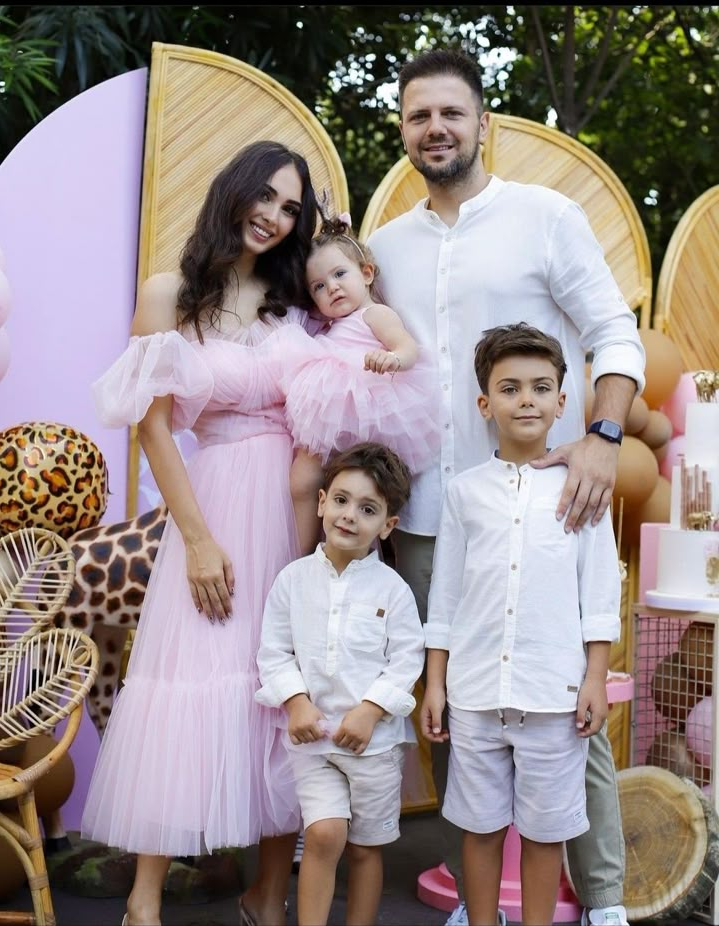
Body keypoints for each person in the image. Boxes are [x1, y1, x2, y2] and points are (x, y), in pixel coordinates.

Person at [366, 48, 646, 926]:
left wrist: (601, 437)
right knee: (452, 711)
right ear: (403, 130)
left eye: (452, 112)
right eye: (419, 115)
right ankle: (476, 900)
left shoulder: (546, 218)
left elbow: (614, 332)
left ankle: (600, 899)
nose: (436, 128)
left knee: (568, 713)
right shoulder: (382, 251)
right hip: (424, 511)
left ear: (484, 123)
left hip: (550, 503)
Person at [81, 140, 321, 926]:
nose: (275, 216)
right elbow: (152, 432)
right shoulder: (168, 295)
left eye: (292, 208)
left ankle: (268, 895)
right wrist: (198, 540)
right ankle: (144, 902)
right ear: (234, 187)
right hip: (211, 503)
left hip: (292, 510)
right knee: (187, 684)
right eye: (267, 197)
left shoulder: (301, 302)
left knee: (281, 690)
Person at [422, 323, 622, 926]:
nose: (527, 399)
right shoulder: (464, 494)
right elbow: (446, 596)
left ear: (563, 402)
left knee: (544, 834)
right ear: (486, 404)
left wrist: (594, 678)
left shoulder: (581, 490)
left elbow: (600, 594)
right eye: (510, 388)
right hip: (477, 695)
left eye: (541, 387)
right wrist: (436, 684)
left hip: (553, 696)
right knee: (479, 830)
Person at [256, 442, 425, 926]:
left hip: (373, 746)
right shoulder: (291, 580)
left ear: (387, 525)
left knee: (366, 848)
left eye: (368, 509)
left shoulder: (393, 591)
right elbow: (274, 650)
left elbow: (405, 659)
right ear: (323, 501)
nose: (351, 516)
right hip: (312, 739)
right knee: (325, 833)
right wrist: (296, 703)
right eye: (343, 501)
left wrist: (370, 710)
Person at [285, 213, 440, 555]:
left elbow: (408, 347)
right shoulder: (328, 326)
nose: (332, 288)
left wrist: (393, 359)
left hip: (365, 409)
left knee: (352, 486)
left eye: (340, 274)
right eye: (319, 287)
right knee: (307, 481)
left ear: (366, 273)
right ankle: (303, 553)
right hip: (330, 414)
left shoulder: (375, 315)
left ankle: (312, 554)